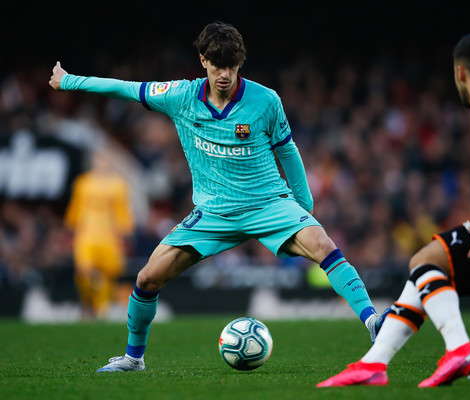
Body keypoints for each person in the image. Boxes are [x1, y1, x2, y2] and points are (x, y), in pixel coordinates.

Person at [49, 21, 387, 372]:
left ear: (240, 64)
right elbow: (126, 89)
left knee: (324, 246)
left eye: (231, 66)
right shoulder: (180, 96)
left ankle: (373, 323)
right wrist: (69, 81)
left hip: (269, 204)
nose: (224, 74)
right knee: (147, 279)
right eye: (217, 64)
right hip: (213, 213)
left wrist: (303, 206)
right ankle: (134, 359)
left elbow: (288, 152)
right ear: (203, 61)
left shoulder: (266, 101)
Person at [316, 33, 470, 388]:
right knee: (424, 273)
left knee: (423, 260)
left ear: (460, 73)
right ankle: (373, 364)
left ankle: (459, 348)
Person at [64, 149, 134, 319]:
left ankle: (101, 308)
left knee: (107, 273)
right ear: (94, 162)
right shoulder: (83, 183)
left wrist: (125, 230)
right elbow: (76, 207)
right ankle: (90, 302)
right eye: (99, 160)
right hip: (87, 234)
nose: (102, 164)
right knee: (85, 271)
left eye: (106, 160)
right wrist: (71, 225)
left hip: (109, 235)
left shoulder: (118, 184)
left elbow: (122, 210)